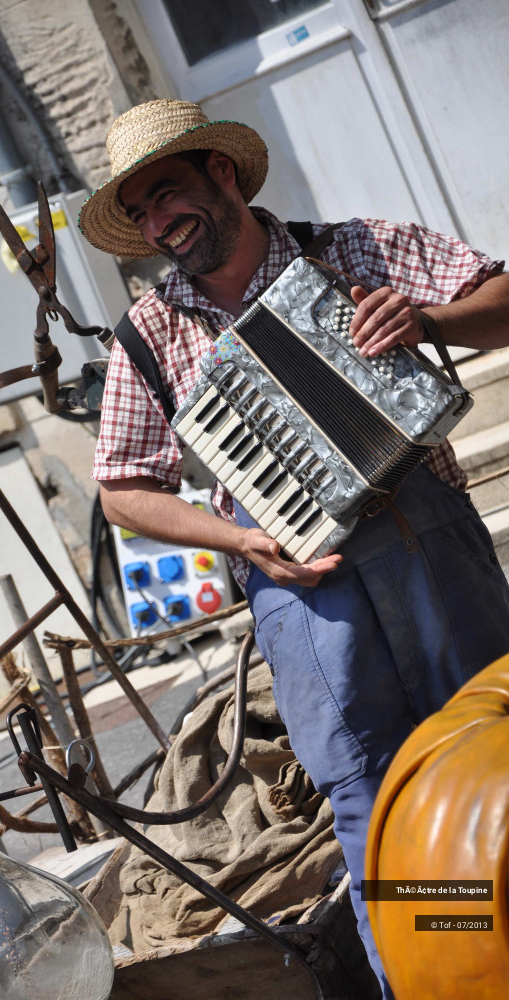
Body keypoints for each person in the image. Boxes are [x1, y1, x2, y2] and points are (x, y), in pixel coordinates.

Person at [78, 99, 509, 998]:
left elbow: (504, 300)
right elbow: (121, 489)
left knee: (490, 755)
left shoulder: (351, 250)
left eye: (168, 194)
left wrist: (427, 323)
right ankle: (438, 977)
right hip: (297, 582)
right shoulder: (147, 337)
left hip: (423, 532)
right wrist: (239, 536)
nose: (160, 223)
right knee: (371, 795)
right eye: (143, 212)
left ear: (222, 174)